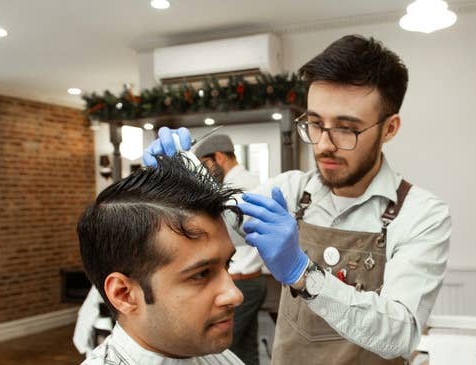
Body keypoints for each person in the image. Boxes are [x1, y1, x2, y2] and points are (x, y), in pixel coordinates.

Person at [144, 34, 451, 365]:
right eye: (316, 124)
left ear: (389, 128)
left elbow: (400, 334)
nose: (323, 145)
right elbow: (212, 224)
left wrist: (303, 272)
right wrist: (172, 181)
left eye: (346, 129)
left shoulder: (420, 214)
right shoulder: (290, 193)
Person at [77, 154, 246, 365]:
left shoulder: (215, 356)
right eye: (200, 274)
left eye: (227, 264)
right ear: (124, 294)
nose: (235, 295)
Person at [194, 134, 266, 365]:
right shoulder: (253, 180)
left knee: (221, 354)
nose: (205, 173)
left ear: (219, 157)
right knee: (246, 351)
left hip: (241, 281)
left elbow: (221, 237)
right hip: (251, 280)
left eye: (205, 165)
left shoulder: (238, 188)